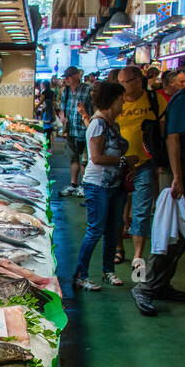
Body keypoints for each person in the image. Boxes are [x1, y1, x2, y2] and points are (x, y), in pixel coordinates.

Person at [132, 54, 185, 316]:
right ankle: (144, 287)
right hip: (182, 172)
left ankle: (162, 284)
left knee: (179, 233)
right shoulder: (181, 100)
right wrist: (177, 176)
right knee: (169, 232)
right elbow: (173, 140)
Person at [72, 80, 133, 291]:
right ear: (113, 100)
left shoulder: (112, 124)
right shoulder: (98, 124)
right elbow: (96, 158)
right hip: (97, 185)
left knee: (113, 229)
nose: (123, 105)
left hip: (114, 186)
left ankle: (108, 271)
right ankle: (81, 275)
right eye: (121, 100)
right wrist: (125, 161)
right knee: (95, 230)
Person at [116, 63, 160, 281]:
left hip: (145, 164)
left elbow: (165, 131)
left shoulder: (154, 100)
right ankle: (118, 248)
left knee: (141, 211)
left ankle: (138, 258)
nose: (123, 86)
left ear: (138, 81)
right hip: (117, 165)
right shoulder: (116, 101)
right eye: (120, 82)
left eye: (127, 82)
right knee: (117, 209)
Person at [58, 66, 94, 197]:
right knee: (73, 158)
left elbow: (94, 110)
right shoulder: (65, 91)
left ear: (76, 76)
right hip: (71, 131)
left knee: (84, 160)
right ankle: (73, 185)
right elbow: (62, 109)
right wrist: (62, 118)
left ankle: (83, 186)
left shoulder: (88, 90)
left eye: (68, 77)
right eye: (65, 77)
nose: (66, 80)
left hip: (85, 130)